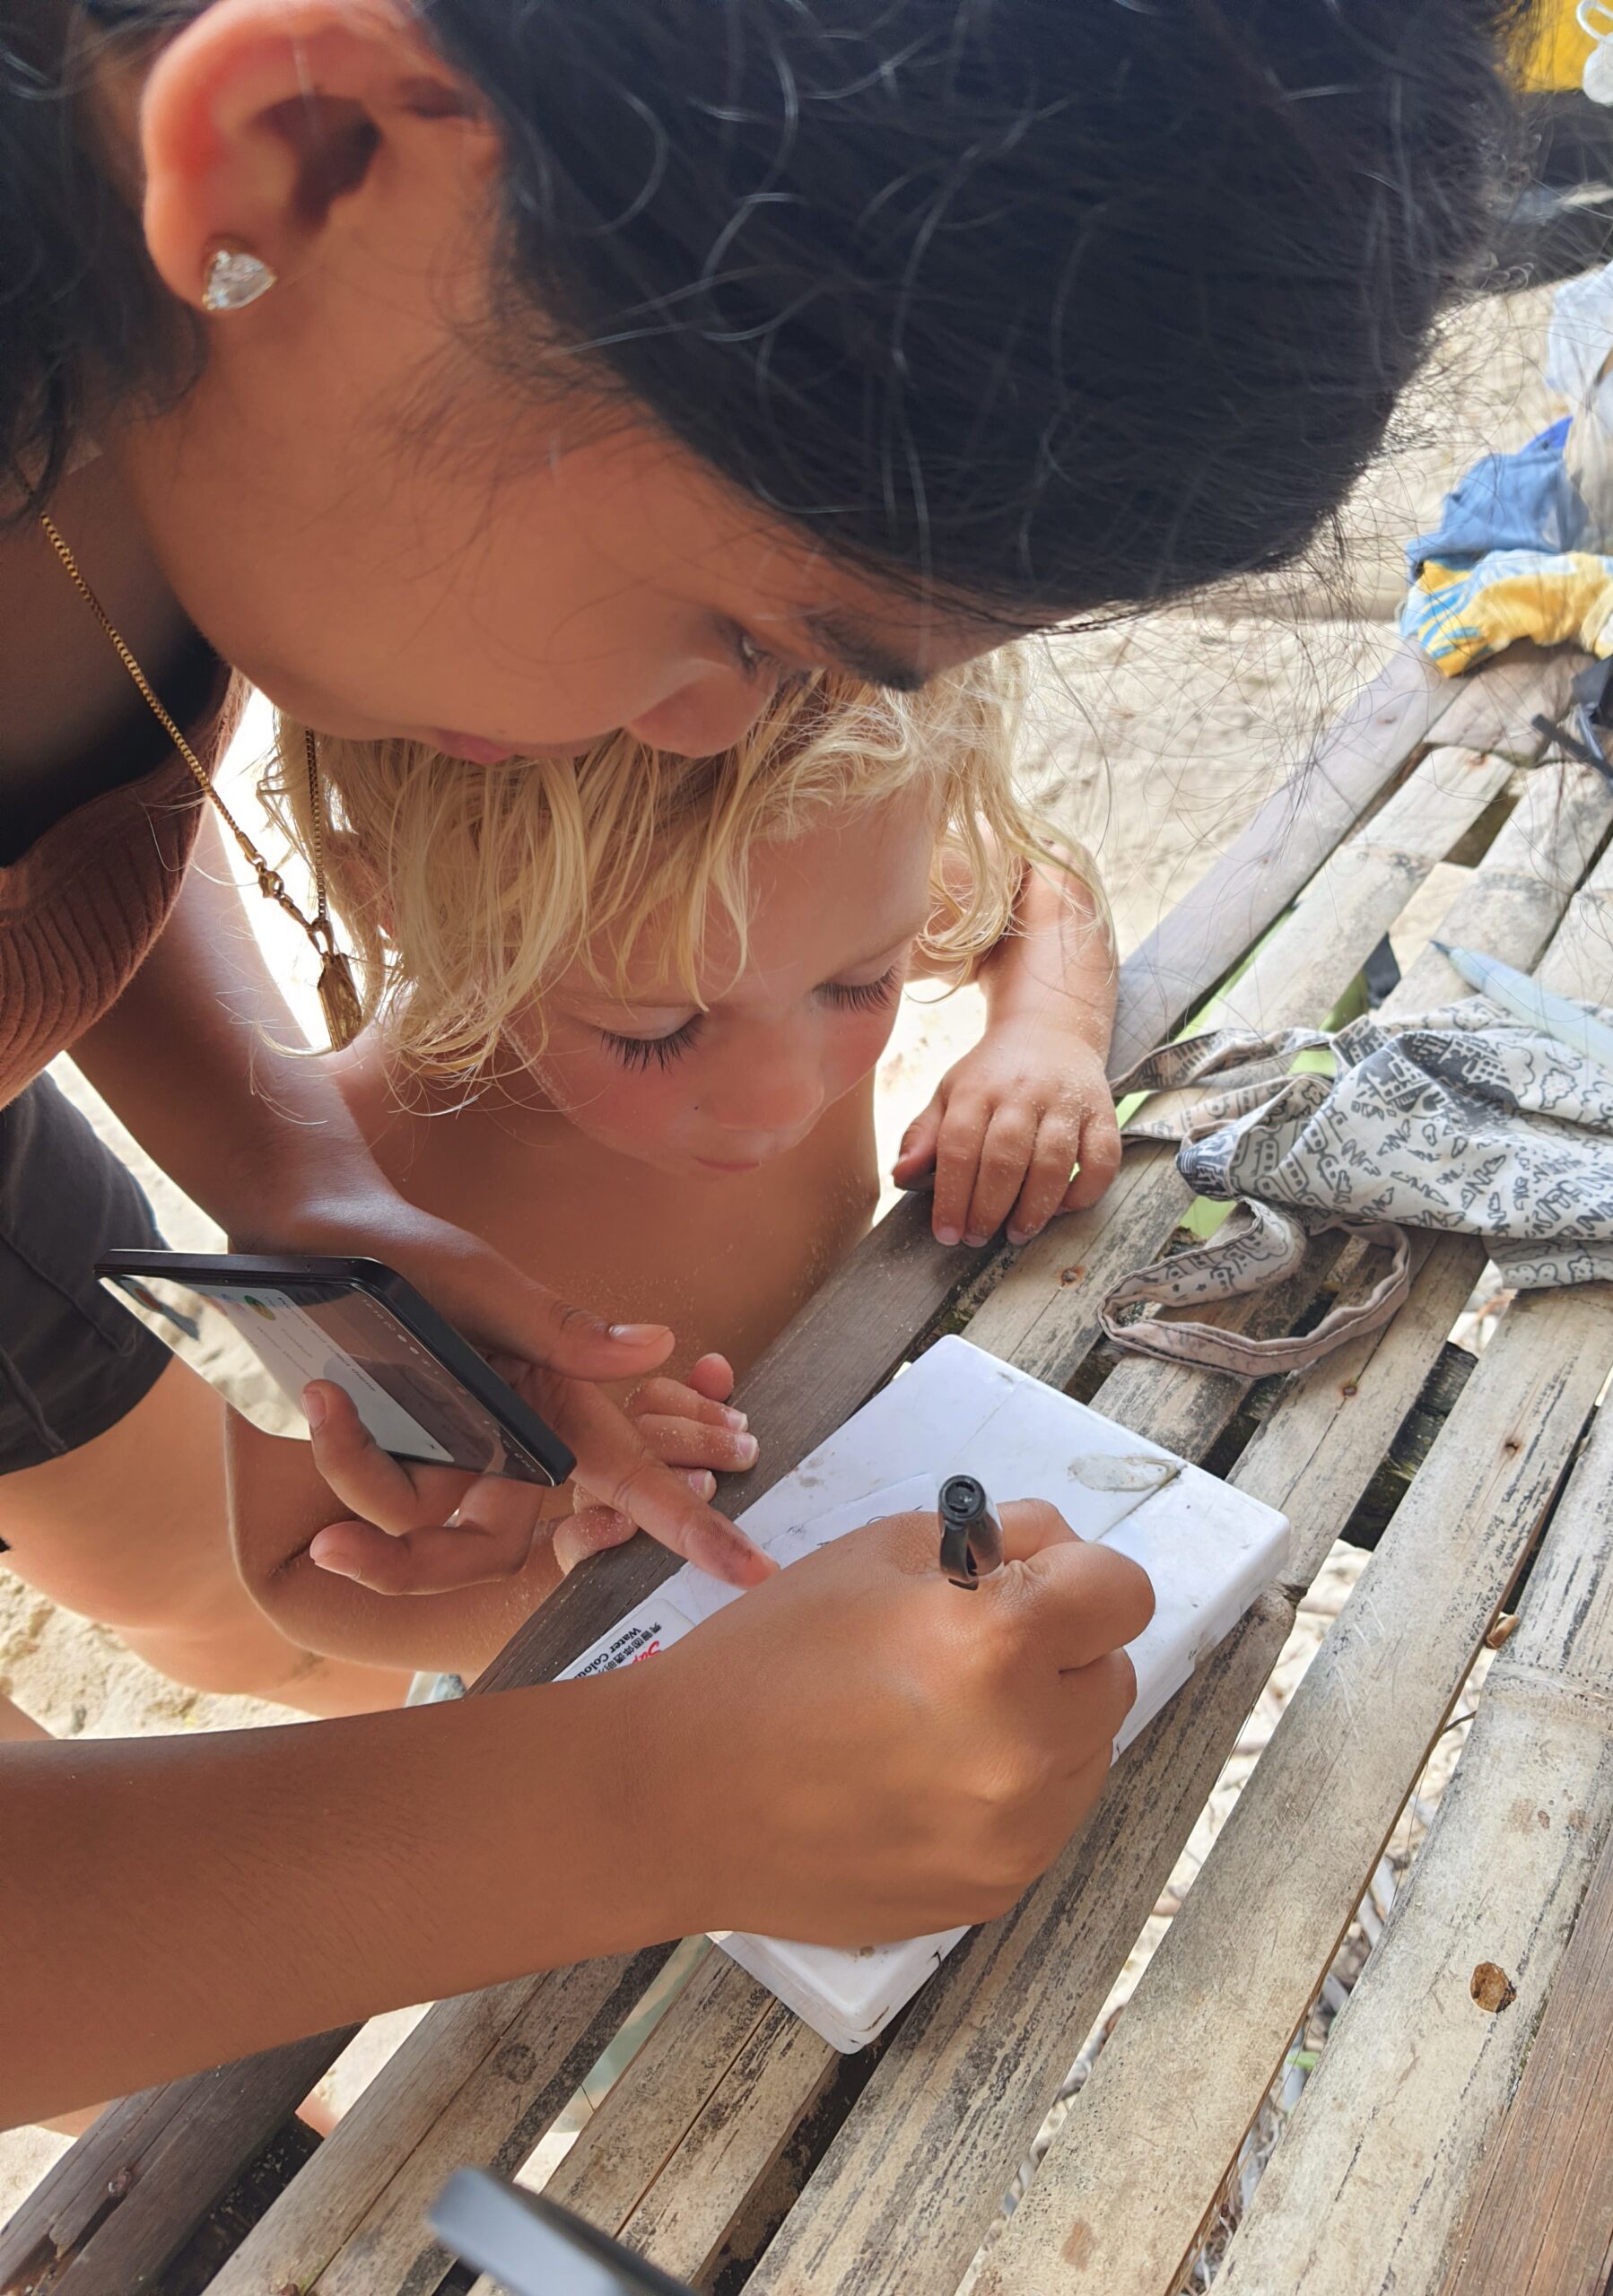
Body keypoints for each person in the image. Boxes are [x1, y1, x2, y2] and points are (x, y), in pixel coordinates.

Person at [2, 0, 1530, 2126]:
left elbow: (81, 772)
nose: (718, 732)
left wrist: (298, 1175)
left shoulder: (161, 389)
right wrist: (636, 1798)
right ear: (319, 150)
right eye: (746, 626)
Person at [221, 665, 1114, 1668]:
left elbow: (1036, 882)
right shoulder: (344, 1179)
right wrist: (567, 1572)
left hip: (864, 1514)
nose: (784, 1099)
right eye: (656, 1033)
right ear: (398, 902)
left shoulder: (805, 896)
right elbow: (294, 1570)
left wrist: (1044, 1032)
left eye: (863, 983)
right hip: (598, 1675)